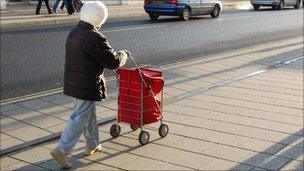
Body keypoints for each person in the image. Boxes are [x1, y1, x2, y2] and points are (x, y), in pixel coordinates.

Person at [50, 1, 131, 169]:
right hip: (86, 84)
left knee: (88, 113)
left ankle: (92, 144)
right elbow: (113, 61)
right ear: (99, 19)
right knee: (80, 116)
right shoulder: (96, 38)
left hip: (73, 82)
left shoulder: (74, 33)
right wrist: (123, 55)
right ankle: (62, 149)